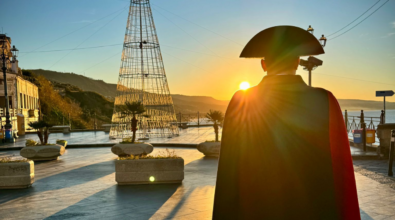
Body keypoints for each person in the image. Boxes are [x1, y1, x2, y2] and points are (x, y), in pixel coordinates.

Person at [213, 26, 360, 220]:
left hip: (256, 207)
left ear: (263, 64)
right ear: (298, 62)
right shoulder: (325, 100)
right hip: (313, 208)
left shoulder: (242, 101)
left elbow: (229, 168)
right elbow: (340, 167)